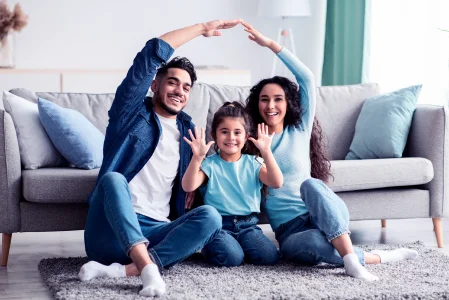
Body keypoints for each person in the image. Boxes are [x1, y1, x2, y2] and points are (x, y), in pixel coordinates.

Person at [241, 20, 418, 281]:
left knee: (310, 185)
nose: (271, 105)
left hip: (321, 211)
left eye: (278, 98)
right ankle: (375, 257)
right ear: (257, 105)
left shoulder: (299, 128)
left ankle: (350, 261)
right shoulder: (251, 141)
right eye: (264, 99)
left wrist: (270, 45)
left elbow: (307, 78)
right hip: (291, 233)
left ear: (289, 103)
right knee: (313, 244)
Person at [77, 20, 241, 297]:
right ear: (154, 84)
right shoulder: (129, 114)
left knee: (217, 229)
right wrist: (202, 28)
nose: (179, 91)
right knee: (113, 180)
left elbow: (194, 185)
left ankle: (125, 270)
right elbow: (151, 53)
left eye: (186, 87)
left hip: (158, 228)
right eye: (173, 82)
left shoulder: (190, 131)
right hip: (111, 230)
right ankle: (149, 271)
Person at [182, 102, 282, 267]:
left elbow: (277, 182)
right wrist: (197, 157)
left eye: (237, 132)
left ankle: (237, 247)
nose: (231, 138)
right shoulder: (210, 164)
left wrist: (266, 151)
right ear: (214, 135)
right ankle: (211, 245)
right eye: (224, 132)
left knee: (269, 258)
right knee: (232, 258)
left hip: (248, 225)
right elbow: (188, 186)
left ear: (246, 136)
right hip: (219, 226)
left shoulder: (254, 163)